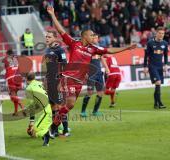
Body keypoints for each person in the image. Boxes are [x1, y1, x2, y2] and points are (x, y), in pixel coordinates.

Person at [47, 6, 137, 137]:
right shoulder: (74, 43)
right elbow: (60, 30)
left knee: (69, 106)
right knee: (70, 103)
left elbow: (110, 50)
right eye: (91, 35)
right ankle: (54, 128)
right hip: (69, 78)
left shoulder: (94, 49)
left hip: (79, 81)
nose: (93, 36)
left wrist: (127, 47)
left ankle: (53, 126)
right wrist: (52, 15)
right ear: (84, 36)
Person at [42, 30, 69, 136]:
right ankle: (56, 130)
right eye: (46, 37)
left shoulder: (60, 50)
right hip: (50, 81)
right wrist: (46, 79)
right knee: (53, 106)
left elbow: (65, 65)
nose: (47, 38)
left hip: (57, 81)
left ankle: (66, 130)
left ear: (54, 38)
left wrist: (61, 80)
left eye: (49, 37)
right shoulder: (48, 50)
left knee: (60, 106)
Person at [143, 27, 168, 109]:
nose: (161, 35)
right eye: (160, 33)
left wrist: (165, 64)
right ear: (156, 33)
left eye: (163, 33)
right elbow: (146, 55)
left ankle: (155, 104)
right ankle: (160, 103)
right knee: (158, 82)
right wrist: (145, 66)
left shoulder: (165, 43)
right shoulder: (150, 43)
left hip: (160, 66)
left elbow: (165, 55)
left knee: (158, 85)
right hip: (152, 66)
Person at [80, 34, 105, 117]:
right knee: (90, 92)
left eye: (97, 37)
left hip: (99, 73)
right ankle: (83, 111)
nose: (97, 39)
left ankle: (95, 111)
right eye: (95, 38)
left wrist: (107, 68)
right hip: (91, 73)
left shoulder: (99, 48)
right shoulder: (87, 49)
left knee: (100, 93)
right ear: (91, 39)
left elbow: (102, 58)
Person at [25, 72, 52, 146]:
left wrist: (31, 122)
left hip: (47, 110)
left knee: (34, 131)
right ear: (34, 78)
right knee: (39, 128)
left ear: (26, 79)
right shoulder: (40, 83)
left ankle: (48, 135)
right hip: (51, 107)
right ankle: (50, 135)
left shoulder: (29, 89)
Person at [2, 49, 24, 115]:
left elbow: (3, 68)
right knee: (15, 95)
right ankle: (16, 111)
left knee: (12, 95)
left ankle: (22, 106)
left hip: (11, 78)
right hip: (19, 77)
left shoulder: (6, 59)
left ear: (7, 54)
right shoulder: (17, 58)